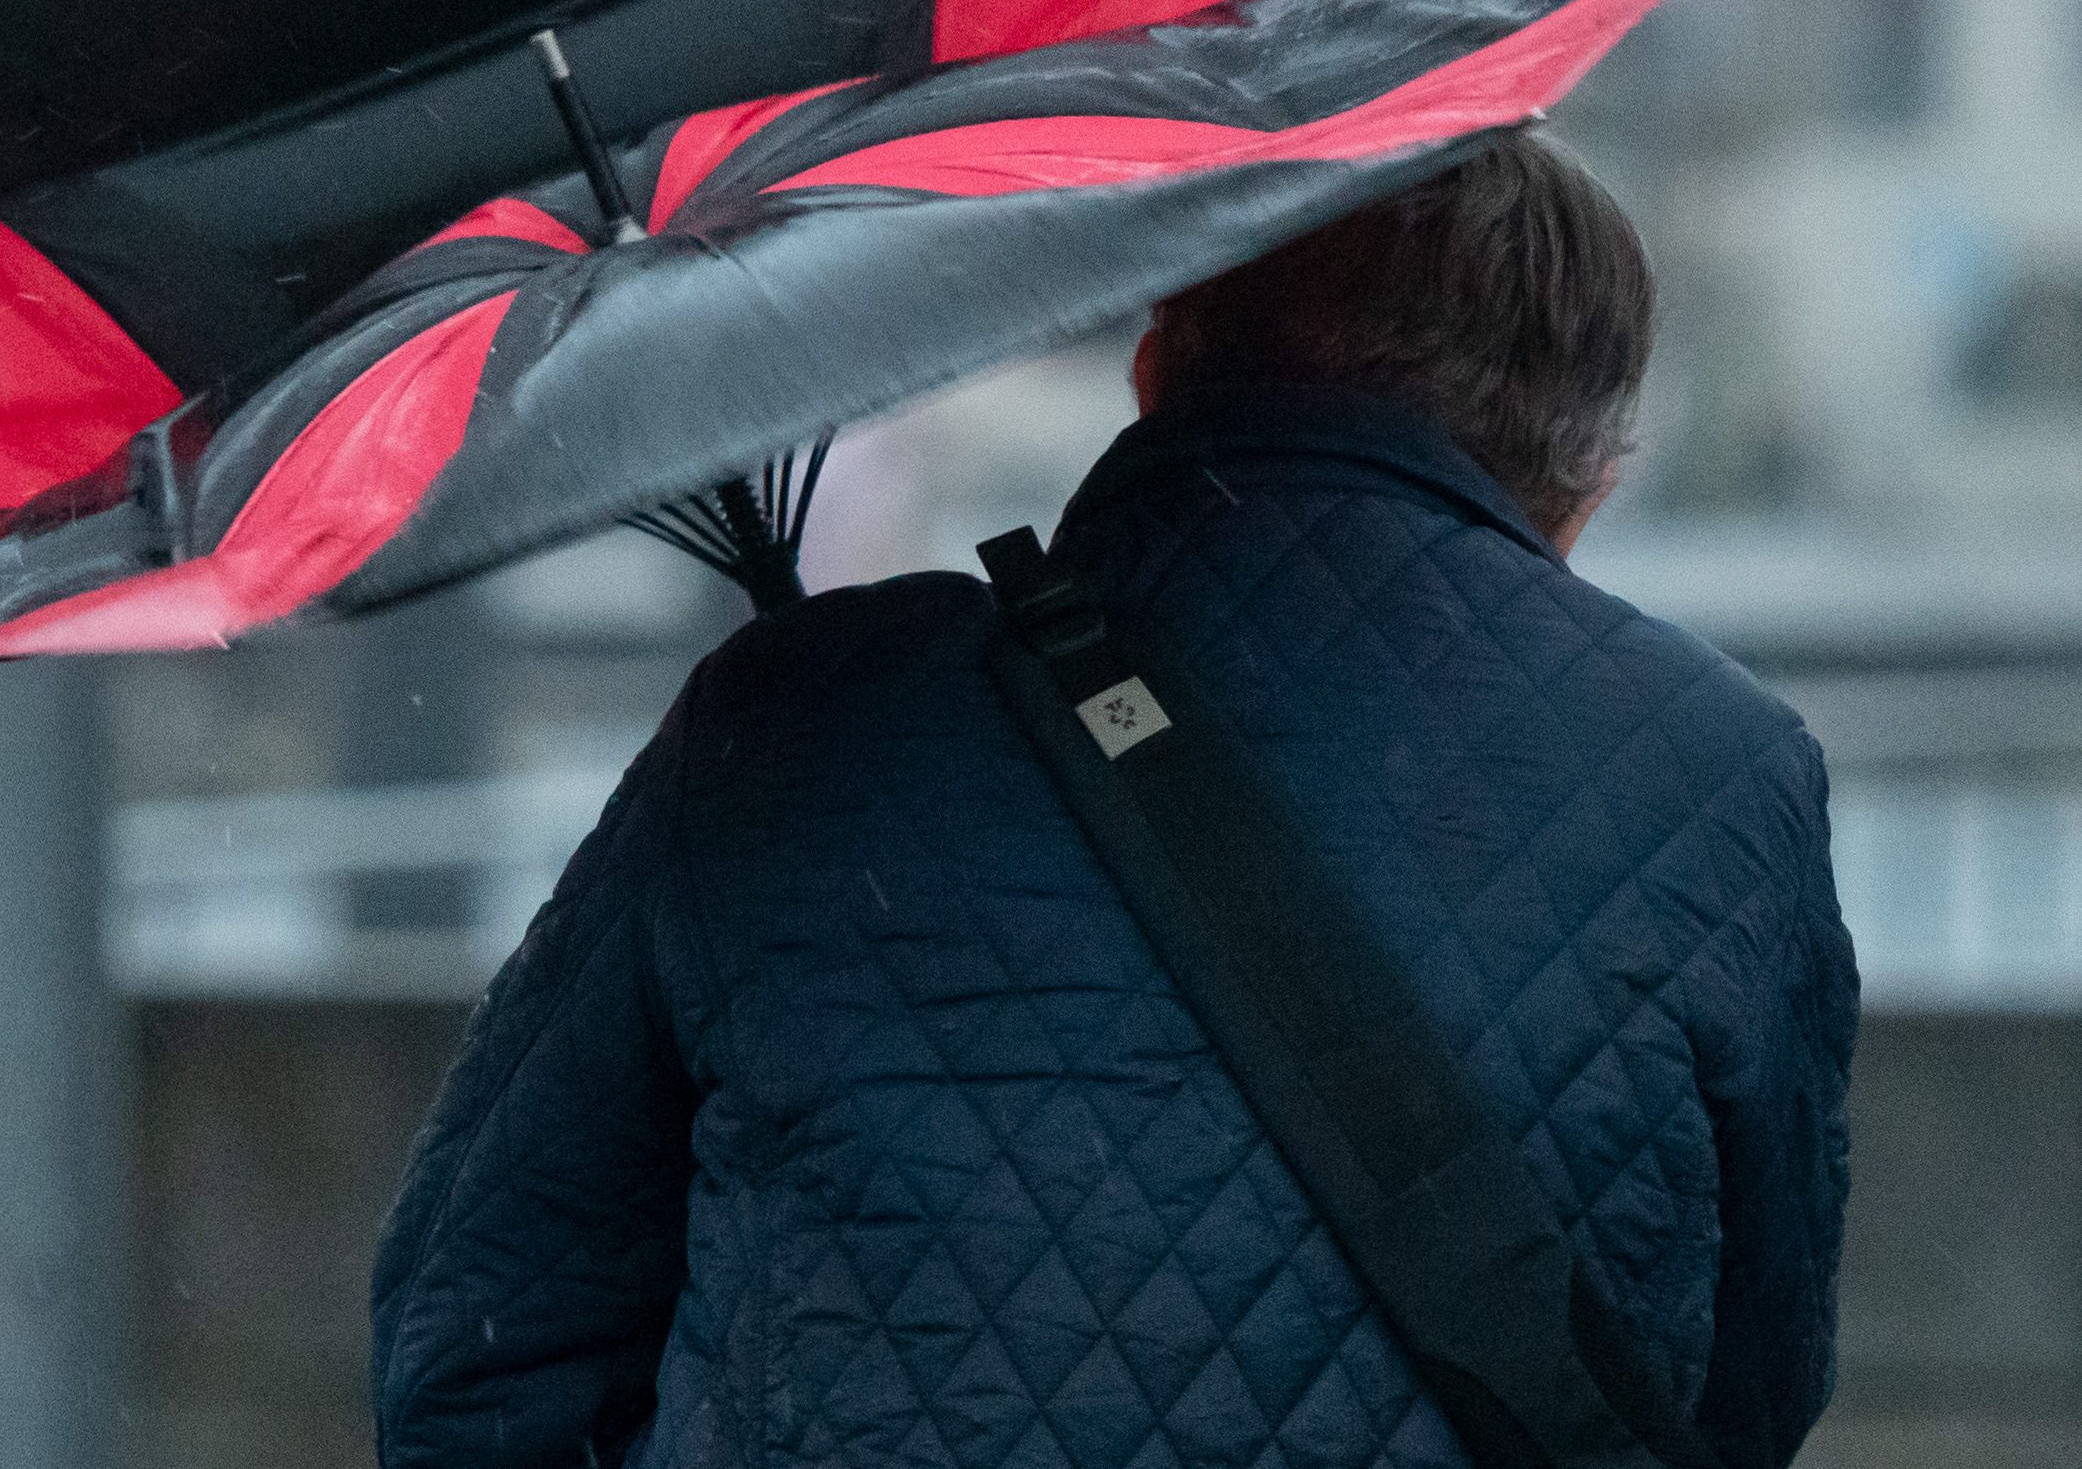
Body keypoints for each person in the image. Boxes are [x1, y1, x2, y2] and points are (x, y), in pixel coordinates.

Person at [371, 131, 1858, 1469]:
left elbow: (476, 1350)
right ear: (1587, 483)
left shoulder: (794, 713)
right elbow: (1744, 1392)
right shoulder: (1724, 781)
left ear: (1157, 368)